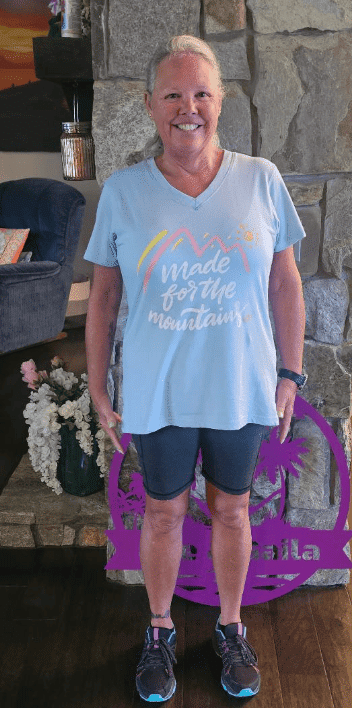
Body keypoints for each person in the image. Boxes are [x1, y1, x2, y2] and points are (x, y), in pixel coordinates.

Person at [84, 35, 306, 702]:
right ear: (151, 105)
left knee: (233, 512)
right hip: (158, 393)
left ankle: (231, 627)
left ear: (221, 102)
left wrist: (289, 374)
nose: (189, 107)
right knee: (161, 515)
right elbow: (102, 296)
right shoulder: (123, 192)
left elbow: (285, 285)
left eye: (201, 93)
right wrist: (98, 384)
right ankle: (159, 630)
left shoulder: (260, 179)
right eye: (174, 94)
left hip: (240, 388)